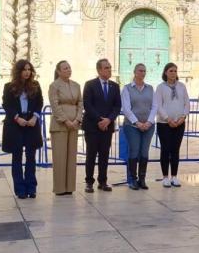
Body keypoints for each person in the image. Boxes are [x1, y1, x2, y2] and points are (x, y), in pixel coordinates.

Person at [2, 60, 43, 199]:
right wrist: (17, 118)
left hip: (31, 124)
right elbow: (7, 105)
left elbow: (40, 103)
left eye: (29, 69)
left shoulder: (35, 86)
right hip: (16, 125)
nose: (27, 72)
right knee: (17, 157)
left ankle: (32, 187)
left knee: (31, 157)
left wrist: (35, 117)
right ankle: (20, 189)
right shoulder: (9, 87)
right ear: (18, 71)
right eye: (24, 69)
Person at [82, 58, 121, 193]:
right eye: (106, 68)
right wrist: (99, 119)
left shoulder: (114, 86)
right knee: (91, 155)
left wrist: (108, 120)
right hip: (93, 126)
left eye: (110, 68)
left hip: (107, 126)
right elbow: (87, 104)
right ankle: (89, 182)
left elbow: (117, 106)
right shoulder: (90, 85)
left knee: (104, 155)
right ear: (99, 70)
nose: (109, 70)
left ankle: (103, 181)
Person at [48, 60, 82, 195]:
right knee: (60, 157)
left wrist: (77, 119)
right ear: (58, 71)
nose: (68, 70)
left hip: (74, 125)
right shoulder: (54, 86)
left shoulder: (76, 85)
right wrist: (66, 120)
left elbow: (80, 103)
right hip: (60, 125)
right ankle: (60, 188)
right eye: (65, 68)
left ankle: (69, 187)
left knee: (71, 157)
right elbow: (54, 105)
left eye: (69, 67)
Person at [121, 63, 156, 190]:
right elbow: (126, 109)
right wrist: (137, 123)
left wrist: (149, 122)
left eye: (144, 71)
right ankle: (132, 179)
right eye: (140, 70)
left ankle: (142, 179)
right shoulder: (127, 89)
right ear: (135, 72)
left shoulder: (150, 88)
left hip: (148, 126)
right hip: (132, 126)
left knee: (144, 152)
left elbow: (154, 107)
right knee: (134, 150)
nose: (143, 73)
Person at [155, 62, 189, 187]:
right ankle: (165, 177)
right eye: (171, 71)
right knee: (165, 149)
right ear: (165, 73)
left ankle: (174, 176)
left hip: (179, 123)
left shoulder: (181, 86)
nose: (173, 73)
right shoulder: (160, 87)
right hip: (164, 124)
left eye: (175, 71)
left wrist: (183, 116)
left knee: (175, 150)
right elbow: (158, 105)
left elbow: (187, 102)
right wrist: (168, 119)